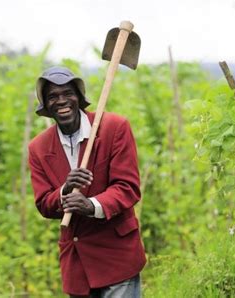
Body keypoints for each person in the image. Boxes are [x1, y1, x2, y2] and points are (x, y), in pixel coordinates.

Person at [28, 66, 147, 297]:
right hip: (77, 264)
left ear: (79, 98)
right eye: (53, 96)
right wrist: (65, 189)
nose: (61, 101)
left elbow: (128, 188)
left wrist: (91, 205)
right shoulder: (38, 148)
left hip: (117, 255)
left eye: (67, 94)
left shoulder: (114, 128)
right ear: (45, 106)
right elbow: (43, 203)